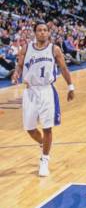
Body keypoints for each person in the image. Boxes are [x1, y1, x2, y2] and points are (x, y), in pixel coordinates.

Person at [12, 22, 75, 176]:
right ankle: (42, 144)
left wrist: (70, 86)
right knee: (30, 129)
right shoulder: (26, 48)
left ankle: (44, 160)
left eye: (45, 30)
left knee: (47, 127)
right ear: (35, 33)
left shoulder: (54, 49)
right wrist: (16, 74)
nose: (42, 32)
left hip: (47, 90)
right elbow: (20, 65)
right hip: (30, 91)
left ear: (48, 33)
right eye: (39, 30)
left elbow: (64, 68)